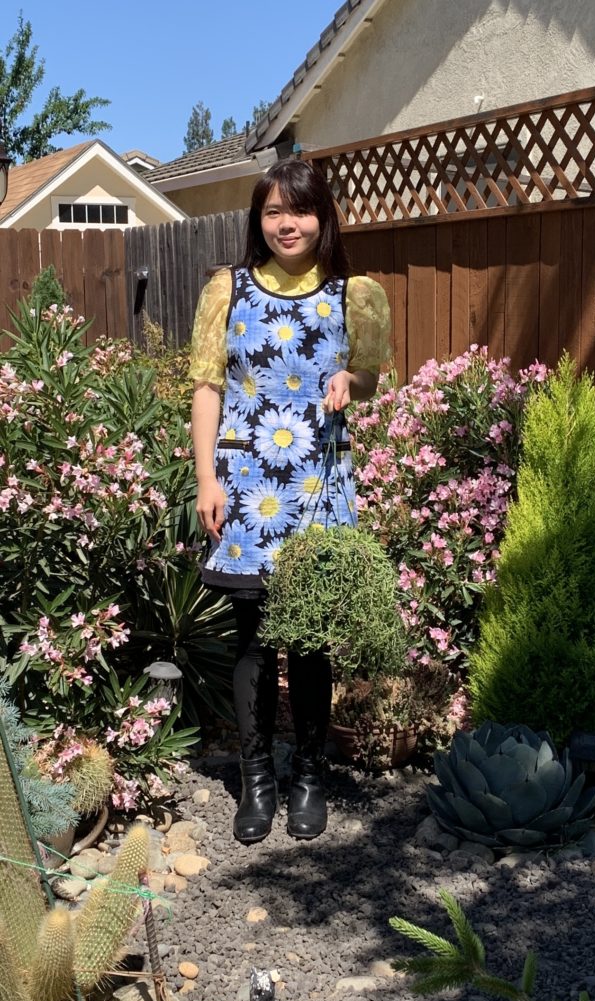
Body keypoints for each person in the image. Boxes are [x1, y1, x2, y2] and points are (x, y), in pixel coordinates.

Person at [188, 159, 391, 843]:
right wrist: (206, 479)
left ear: (322, 216)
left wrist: (348, 381)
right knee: (250, 638)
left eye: (299, 211)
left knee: (306, 637)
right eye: (274, 212)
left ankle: (307, 775)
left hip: (318, 487)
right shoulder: (228, 290)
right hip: (245, 485)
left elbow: (366, 378)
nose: (287, 223)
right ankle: (258, 781)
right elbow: (207, 388)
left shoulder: (351, 294)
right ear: (259, 220)